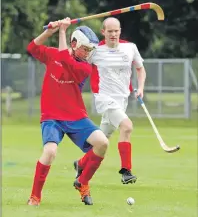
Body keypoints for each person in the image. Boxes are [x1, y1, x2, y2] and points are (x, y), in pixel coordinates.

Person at [27, 18, 109, 206]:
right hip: (52, 117)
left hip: (76, 115)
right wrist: (50, 31)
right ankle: (35, 197)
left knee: (102, 143)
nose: (88, 54)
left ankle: (82, 181)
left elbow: (65, 58)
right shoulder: (53, 54)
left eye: (90, 51)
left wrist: (63, 30)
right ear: (74, 43)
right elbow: (32, 47)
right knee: (50, 152)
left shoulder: (84, 67)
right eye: (86, 49)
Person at [74, 17, 146, 185]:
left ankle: (81, 163)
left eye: (116, 31)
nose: (113, 34)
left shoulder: (130, 48)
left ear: (120, 31)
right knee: (127, 126)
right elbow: (76, 60)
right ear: (103, 32)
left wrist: (140, 87)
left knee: (102, 142)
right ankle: (126, 171)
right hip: (104, 99)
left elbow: (140, 68)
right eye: (110, 31)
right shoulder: (95, 51)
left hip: (122, 100)